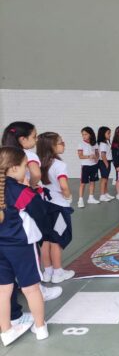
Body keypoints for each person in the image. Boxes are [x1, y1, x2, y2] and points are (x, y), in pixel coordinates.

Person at [0, 147, 49, 345]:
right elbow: (40, 211)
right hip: (21, 245)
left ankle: (6, 331)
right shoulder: (20, 191)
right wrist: (32, 189)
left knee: (3, 291)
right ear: (13, 168)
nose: (26, 170)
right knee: (31, 289)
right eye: (24, 166)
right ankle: (40, 327)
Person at [37, 132, 75, 284]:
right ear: (51, 147)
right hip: (59, 207)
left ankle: (48, 272)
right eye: (60, 142)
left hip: (44, 206)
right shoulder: (59, 165)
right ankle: (58, 272)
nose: (63, 143)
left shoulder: (38, 163)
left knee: (45, 240)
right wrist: (67, 196)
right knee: (57, 241)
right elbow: (64, 185)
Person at [77, 127, 100, 208]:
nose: (84, 136)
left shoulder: (95, 143)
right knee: (83, 183)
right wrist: (88, 156)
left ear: (90, 134)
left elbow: (97, 154)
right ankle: (80, 200)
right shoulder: (81, 144)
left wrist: (96, 158)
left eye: (85, 134)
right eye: (82, 134)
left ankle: (91, 198)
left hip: (94, 166)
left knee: (92, 182)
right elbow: (80, 156)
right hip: (85, 166)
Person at [97, 127, 114, 202]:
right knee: (104, 179)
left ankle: (106, 193)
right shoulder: (103, 143)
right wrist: (106, 163)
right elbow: (103, 154)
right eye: (108, 133)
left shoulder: (107, 142)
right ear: (103, 134)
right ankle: (102, 195)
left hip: (107, 162)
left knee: (106, 179)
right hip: (104, 162)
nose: (110, 135)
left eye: (110, 133)